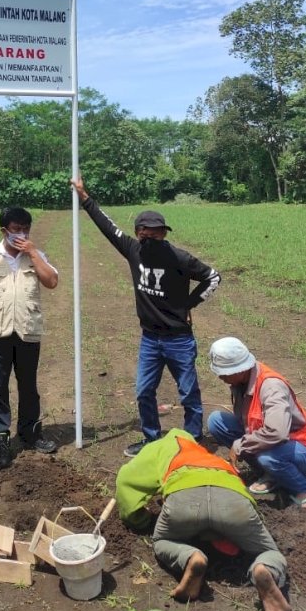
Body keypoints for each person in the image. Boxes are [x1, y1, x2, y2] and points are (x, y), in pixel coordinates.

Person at [71, 177, 221, 457]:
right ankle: (151, 439)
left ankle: (191, 441)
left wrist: (189, 303)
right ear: (138, 232)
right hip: (150, 339)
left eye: (159, 233)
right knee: (143, 391)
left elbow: (213, 277)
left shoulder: (179, 258)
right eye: (148, 232)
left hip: (178, 339)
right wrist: (84, 197)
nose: (153, 237)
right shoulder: (132, 250)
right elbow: (107, 227)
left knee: (189, 393)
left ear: (165, 233)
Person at [116, 428, 295, 611]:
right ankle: (265, 568)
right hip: (233, 501)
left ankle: (191, 557)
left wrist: (140, 520)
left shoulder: (158, 448)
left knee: (162, 541)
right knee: (269, 551)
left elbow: (125, 480)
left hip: (184, 499)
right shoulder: (203, 453)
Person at [0, 206, 59, 468]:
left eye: (25, 229)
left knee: (28, 385)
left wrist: (32, 252)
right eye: (16, 229)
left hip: (27, 330)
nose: (20, 234)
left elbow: (52, 281)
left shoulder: (36, 255)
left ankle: (30, 433)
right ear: (4, 231)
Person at [207, 336, 306, 510]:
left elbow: (277, 433)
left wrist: (240, 444)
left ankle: (304, 488)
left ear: (239, 370)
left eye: (223, 373)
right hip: (275, 441)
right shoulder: (242, 381)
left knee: (268, 457)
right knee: (216, 421)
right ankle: (271, 473)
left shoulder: (271, 387)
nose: (220, 376)